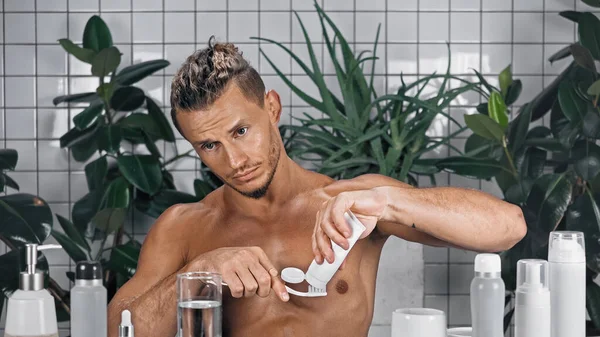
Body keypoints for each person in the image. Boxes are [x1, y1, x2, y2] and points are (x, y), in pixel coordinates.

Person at [107, 38, 526, 337]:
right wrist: (199, 273)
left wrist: (388, 201)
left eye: (241, 131)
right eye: (210, 145)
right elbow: (120, 330)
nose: (233, 161)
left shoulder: (355, 204)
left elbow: (509, 228)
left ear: (271, 107)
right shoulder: (183, 227)